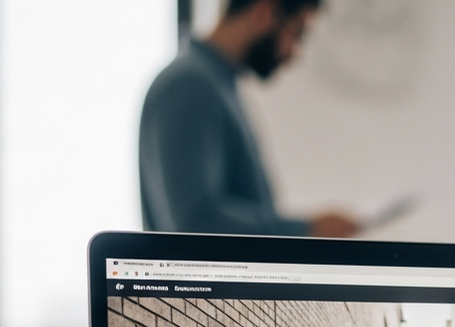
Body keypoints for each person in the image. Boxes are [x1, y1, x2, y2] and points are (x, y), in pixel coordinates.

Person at [139, 0, 359, 238]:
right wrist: (307, 230)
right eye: (297, 33)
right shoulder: (188, 85)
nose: (294, 53)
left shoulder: (215, 85)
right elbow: (196, 223)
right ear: (263, 12)